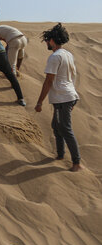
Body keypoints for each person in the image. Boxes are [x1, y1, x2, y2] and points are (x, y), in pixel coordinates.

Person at [34, 23, 81, 172]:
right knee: (56, 126)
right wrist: (74, 96)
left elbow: (49, 81)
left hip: (62, 98)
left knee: (65, 128)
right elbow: (73, 75)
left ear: (53, 40)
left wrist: (39, 102)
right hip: (67, 95)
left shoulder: (55, 57)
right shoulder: (68, 54)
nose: (47, 43)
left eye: (47, 40)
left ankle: (77, 163)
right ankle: (60, 155)